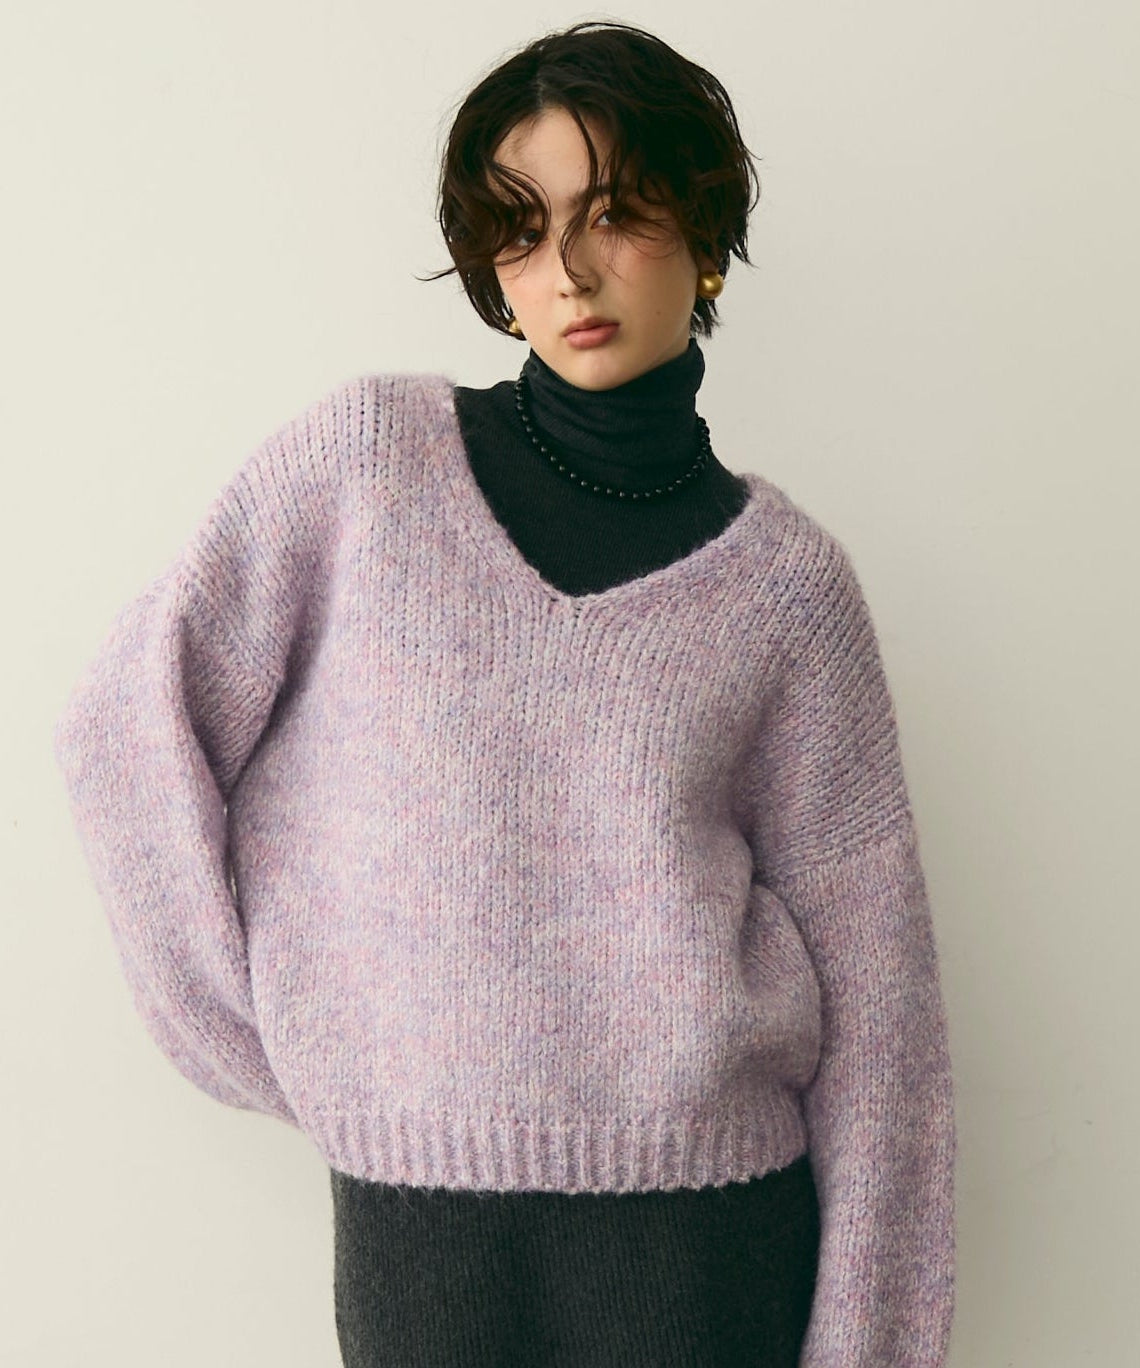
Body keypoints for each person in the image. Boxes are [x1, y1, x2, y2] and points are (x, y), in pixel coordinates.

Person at [55, 19, 955, 1368]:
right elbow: (124, 730)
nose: (569, 272)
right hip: (423, 1236)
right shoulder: (366, 471)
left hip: (714, 1244)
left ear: (703, 231)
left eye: (616, 215)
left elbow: (886, 1021)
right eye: (523, 232)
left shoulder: (789, 589)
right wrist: (274, 1039)